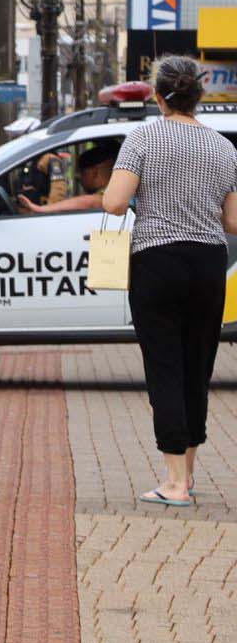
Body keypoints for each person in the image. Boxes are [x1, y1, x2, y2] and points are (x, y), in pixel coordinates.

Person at [101, 57, 237, 508]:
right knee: (197, 368)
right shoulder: (223, 147)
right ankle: (189, 473)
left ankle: (174, 483)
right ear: (198, 95)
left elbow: (115, 203)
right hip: (208, 264)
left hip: (157, 260)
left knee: (164, 367)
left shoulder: (143, 136)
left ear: (158, 96)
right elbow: (233, 221)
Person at [17, 143, 118, 214]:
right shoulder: (118, 186)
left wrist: (41, 209)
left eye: (81, 174)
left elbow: (92, 202)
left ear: (94, 172)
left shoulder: (111, 192)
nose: (80, 181)